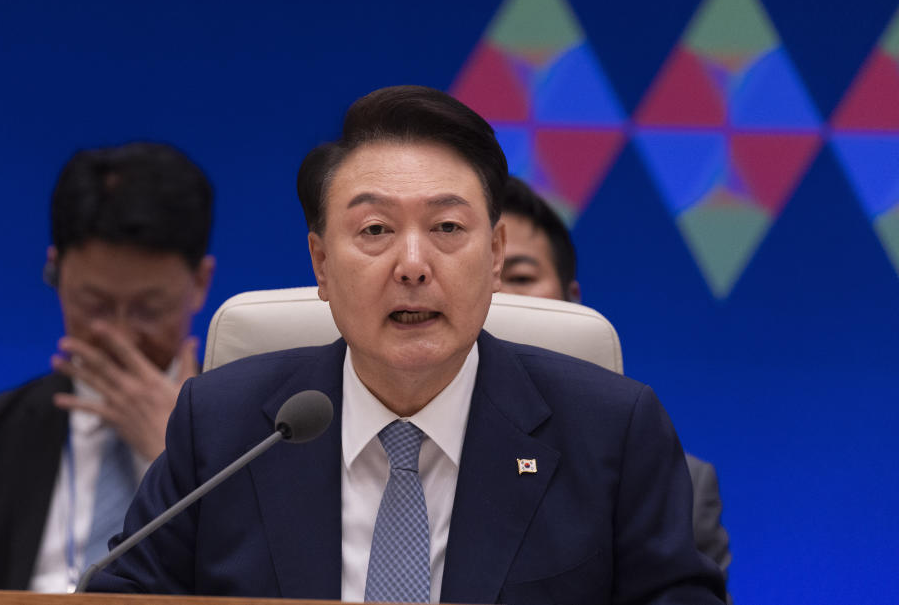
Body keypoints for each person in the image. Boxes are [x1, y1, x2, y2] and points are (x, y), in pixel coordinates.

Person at [90, 86, 725, 604]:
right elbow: (119, 593)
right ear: (321, 264)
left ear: (496, 255)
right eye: (375, 230)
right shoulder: (224, 428)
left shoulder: (612, 431)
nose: (413, 264)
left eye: (448, 227)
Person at [0, 142, 216, 592]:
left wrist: (174, 456)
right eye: (96, 305)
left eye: (149, 308)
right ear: (54, 273)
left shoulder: (262, 436)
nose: (120, 334)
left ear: (200, 284)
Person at [499, 175, 733, 585]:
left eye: (519, 278)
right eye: (478, 277)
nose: (496, 300)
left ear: (571, 300)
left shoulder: (667, 484)